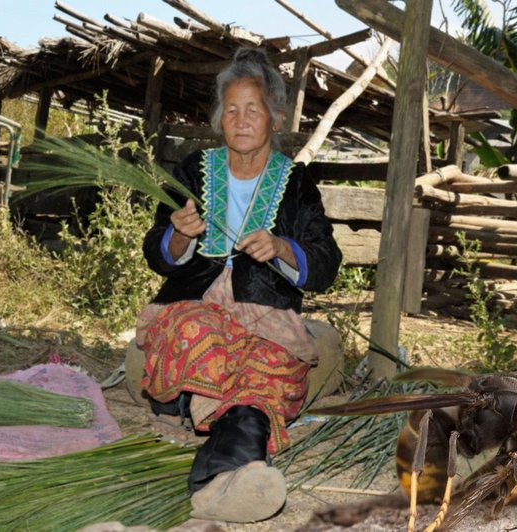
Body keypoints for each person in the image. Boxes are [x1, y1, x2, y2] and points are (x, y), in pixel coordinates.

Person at [136, 47, 342, 523]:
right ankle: (234, 462)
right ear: (218, 118)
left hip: (266, 315)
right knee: (197, 335)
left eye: (253, 109)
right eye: (231, 110)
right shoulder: (192, 171)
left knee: (268, 365)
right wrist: (177, 235)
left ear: (274, 117)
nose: (241, 119)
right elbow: (155, 251)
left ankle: (221, 478)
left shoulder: (295, 183)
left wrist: (285, 248)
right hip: (193, 306)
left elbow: (327, 262)